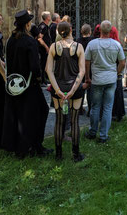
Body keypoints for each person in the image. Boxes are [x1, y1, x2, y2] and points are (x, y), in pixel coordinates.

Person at [1, 10, 51, 158]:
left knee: (19, 115)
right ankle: (36, 145)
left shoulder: (11, 40)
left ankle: (21, 146)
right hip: (28, 84)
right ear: (28, 24)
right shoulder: (29, 41)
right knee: (41, 111)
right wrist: (38, 78)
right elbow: (35, 66)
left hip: (14, 83)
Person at [46, 21, 86, 161]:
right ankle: (75, 155)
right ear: (70, 30)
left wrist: (57, 89)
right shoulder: (78, 47)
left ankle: (58, 155)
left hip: (59, 87)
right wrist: (73, 90)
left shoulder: (54, 47)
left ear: (58, 31)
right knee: (75, 121)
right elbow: (82, 72)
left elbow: (48, 70)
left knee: (59, 121)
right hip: (74, 88)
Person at [84, 20, 125, 143]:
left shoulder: (92, 44)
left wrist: (87, 77)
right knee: (108, 107)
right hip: (111, 79)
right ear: (111, 31)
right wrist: (116, 72)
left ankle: (92, 132)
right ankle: (103, 135)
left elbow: (86, 62)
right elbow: (122, 62)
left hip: (97, 79)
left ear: (100, 30)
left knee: (95, 107)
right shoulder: (116, 45)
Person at [76, 24, 94, 116]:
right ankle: (90, 109)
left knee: (80, 88)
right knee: (90, 89)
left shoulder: (78, 41)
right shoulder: (93, 41)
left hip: (80, 67)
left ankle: (79, 108)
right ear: (90, 32)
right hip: (90, 67)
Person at [38, 11, 51, 85]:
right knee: (42, 64)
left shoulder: (46, 26)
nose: (50, 16)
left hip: (45, 49)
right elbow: (40, 38)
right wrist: (46, 47)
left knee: (45, 64)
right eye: (49, 15)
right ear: (47, 17)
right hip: (42, 50)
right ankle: (42, 80)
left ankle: (44, 79)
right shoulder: (43, 26)